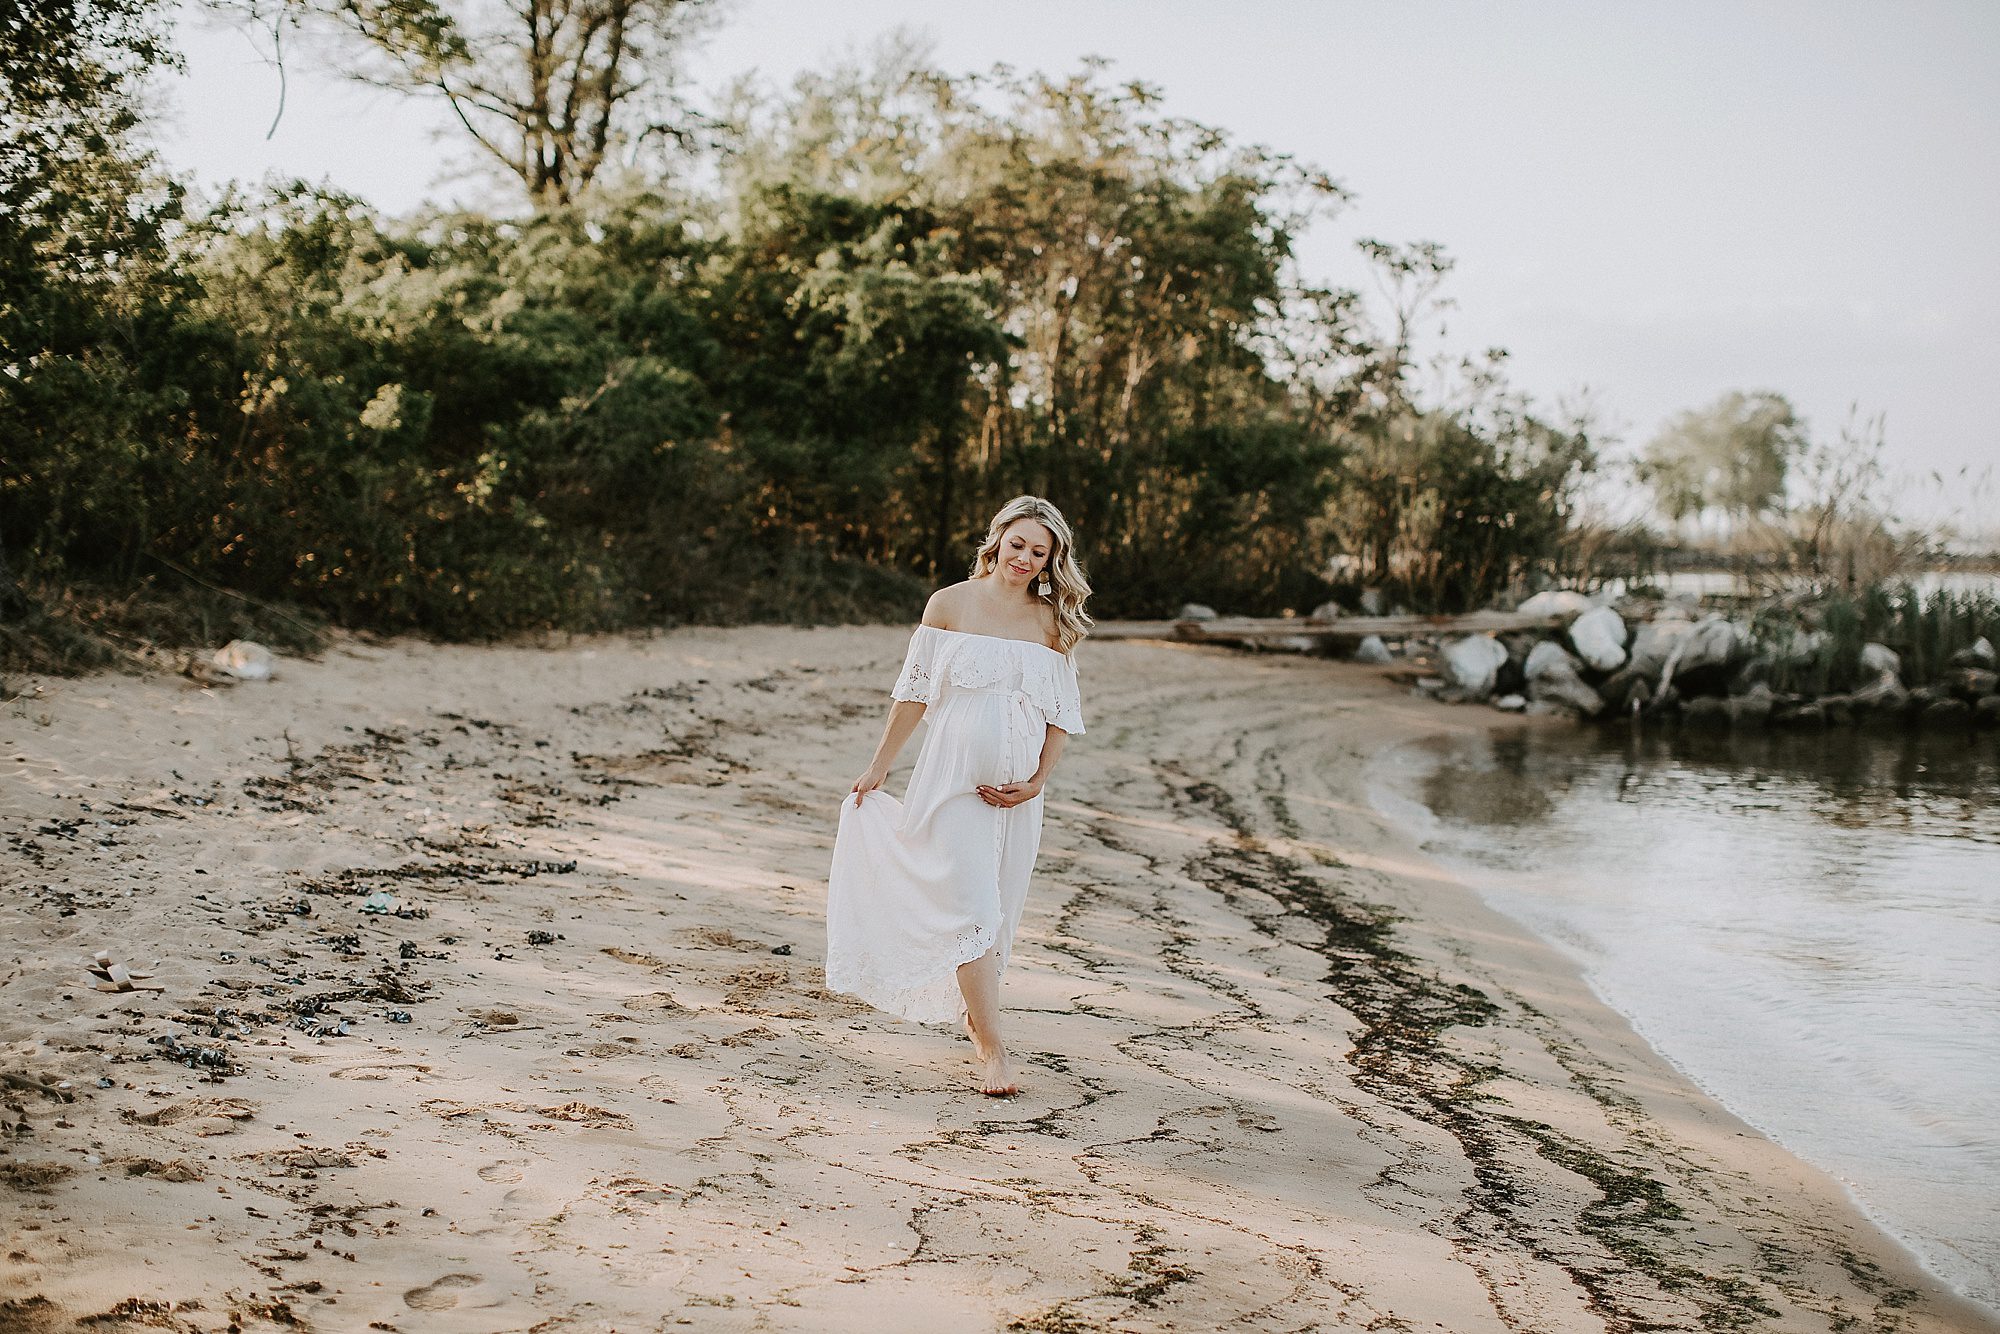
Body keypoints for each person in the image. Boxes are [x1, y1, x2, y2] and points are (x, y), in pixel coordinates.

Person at [825, 496, 1092, 1096]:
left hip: (1018, 793)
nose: (1024, 559)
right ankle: (995, 1050)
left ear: (1052, 562)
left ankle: (977, 1019)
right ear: (996, 541)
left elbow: (1060, 715)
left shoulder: (1052, 624)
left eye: (1039, 552)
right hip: (952, 779)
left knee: (998, 906)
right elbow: (913, 696)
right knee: (971, 904)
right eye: (1017, 544)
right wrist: (878, 768)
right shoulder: (948, 604)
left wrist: (1038, 782)